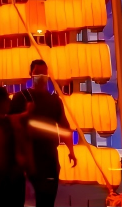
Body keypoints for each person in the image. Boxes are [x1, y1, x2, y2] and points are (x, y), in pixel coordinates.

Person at [10, 58, 73, 208]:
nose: (41, 76)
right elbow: (9, 122)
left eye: (44, 73)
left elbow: (64, 125)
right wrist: (25, 113)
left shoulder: (54, 100)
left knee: (47, 199)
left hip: (49, 155)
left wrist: (71, 150)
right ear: (30, 74)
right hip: (27, 154)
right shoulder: (21, 97)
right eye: (37, 73)